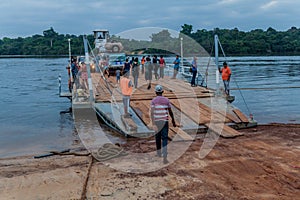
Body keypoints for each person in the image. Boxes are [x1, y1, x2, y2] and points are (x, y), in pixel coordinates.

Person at [151, 85, 176, 164]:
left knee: (157, 138)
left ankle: (158, 153)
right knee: (164, 138)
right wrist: (173, 121)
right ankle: (165, 157)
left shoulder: (153, 101)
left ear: (156, 92)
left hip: (157, 121)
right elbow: (170, 111)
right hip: (165, 121)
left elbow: (152, 113)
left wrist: (153, 123)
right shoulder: (166, 100)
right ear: (162, 92)